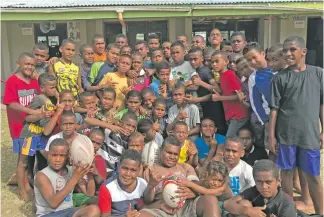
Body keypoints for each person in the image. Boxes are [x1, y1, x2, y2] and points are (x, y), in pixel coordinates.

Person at [269, 36, 323, 214]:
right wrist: (271, 137)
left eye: (292, 49)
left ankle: (320, 212)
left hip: (309, 135)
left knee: (313, 176)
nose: (288, 53)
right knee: (286, 175)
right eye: (285, 50)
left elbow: (322, 104)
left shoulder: (318, 73)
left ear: (303, 52)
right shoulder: (279, 79)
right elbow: (274, 110)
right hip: (286, 136)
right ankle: (288, 212)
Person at [139, 136, 222, 217]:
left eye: (175, 154)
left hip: (187, 206)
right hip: (162, 208)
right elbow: (147, 201)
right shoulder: (151, 171)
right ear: (161, 150)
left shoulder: (186, 167)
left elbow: (196, 186)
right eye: (169, 152)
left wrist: (192, 192)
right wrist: (151, 185)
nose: (172, 157)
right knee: (140, 215)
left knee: (211, 200)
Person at [3, 52, 41, 199]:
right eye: (26, 64)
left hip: (33, 127)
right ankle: (22, 191)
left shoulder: (34, 81)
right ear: (18, 63)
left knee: (30, 156)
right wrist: (31, 111)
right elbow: (11, 103)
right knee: (23, 161)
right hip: (20, 128)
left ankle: (26, 184)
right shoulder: (12, 81)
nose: (29, 67)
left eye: (32, 65)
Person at [34, 138, 100, 217]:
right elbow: (53, 203)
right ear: (48, 155)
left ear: (68, 156)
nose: (57, 159)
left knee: (94, 210)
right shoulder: (42, 175)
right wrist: (74, 179)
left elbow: (89, 193)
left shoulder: (71, 171)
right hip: (49, 214)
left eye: (62, 155)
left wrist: (89, 174)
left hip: (68, 211)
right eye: (54, 155)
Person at [223, 160, 297, 217]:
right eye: (259, 182)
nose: (264, 186)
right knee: (244, 203)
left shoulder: (286, 203)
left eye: (268, 182)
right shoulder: (254, 191)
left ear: (278, 182)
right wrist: (248, 211)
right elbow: (227, 204)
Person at [187, 47, 227, 135]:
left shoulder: (205, 71)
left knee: (218, 132)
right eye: (190, 59)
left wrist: (201, 83)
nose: (193, 62)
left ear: (202, 58)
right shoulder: (193, 70)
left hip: (214, 106)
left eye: (195, 59)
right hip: (204, 106)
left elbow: (217, 89)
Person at [85, 112, 137, 177]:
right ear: (120, 123)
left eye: (133, 127)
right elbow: (87, 120)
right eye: (128, 125)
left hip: (112, 176)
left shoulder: (130, 143)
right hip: (97, 170)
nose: (130, 129)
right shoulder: (109, 132)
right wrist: (109, 126)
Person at [211, 50, 249, 137]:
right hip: (231, 116)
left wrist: (219, 98)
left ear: (226, 62)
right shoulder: (222, 76)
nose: (214, 64)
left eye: (217, 61)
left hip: (239, 116)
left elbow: (240, 96)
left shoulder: (230, 74)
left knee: (230, 140)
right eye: (212, 62)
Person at [98, 149, 147, 217]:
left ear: (138, 170)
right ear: (118, 166)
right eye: (125, 168)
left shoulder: (142, 184)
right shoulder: (107, 188)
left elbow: (142, 205)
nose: (128, 174)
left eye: (133, 170)